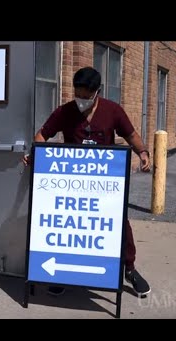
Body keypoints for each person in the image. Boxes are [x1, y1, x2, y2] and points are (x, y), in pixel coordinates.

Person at [24, 66, 151, 297]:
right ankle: (62, 273)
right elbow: (42, 134)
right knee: (69, 227)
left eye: (86, 96)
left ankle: (129, 269)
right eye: (78, 94)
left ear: (97, 92)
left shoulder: (113, 111)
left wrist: (142, 152)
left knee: (119, 225)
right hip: (73, 184)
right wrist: (36, 153)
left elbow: (130, 135)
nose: (81, 100)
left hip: (105, 185)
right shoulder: (65, 112)